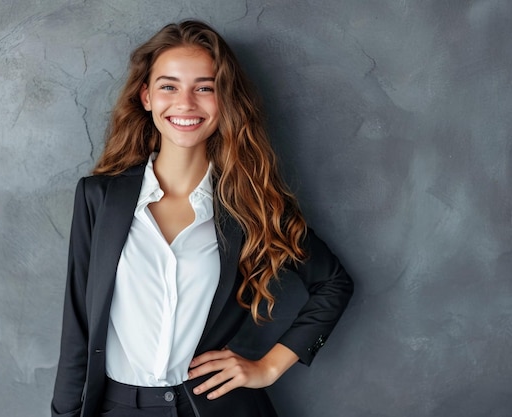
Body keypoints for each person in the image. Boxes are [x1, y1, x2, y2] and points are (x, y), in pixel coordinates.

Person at [51, 20, 354, 417]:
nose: (186, 103)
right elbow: (78, 328)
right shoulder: (98, 198)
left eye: (205, 87)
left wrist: (268, 367)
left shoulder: (251, 202)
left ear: (223, 99)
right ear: (146, 97)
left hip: (217, 408)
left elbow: (333, 283)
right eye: (169, 86)